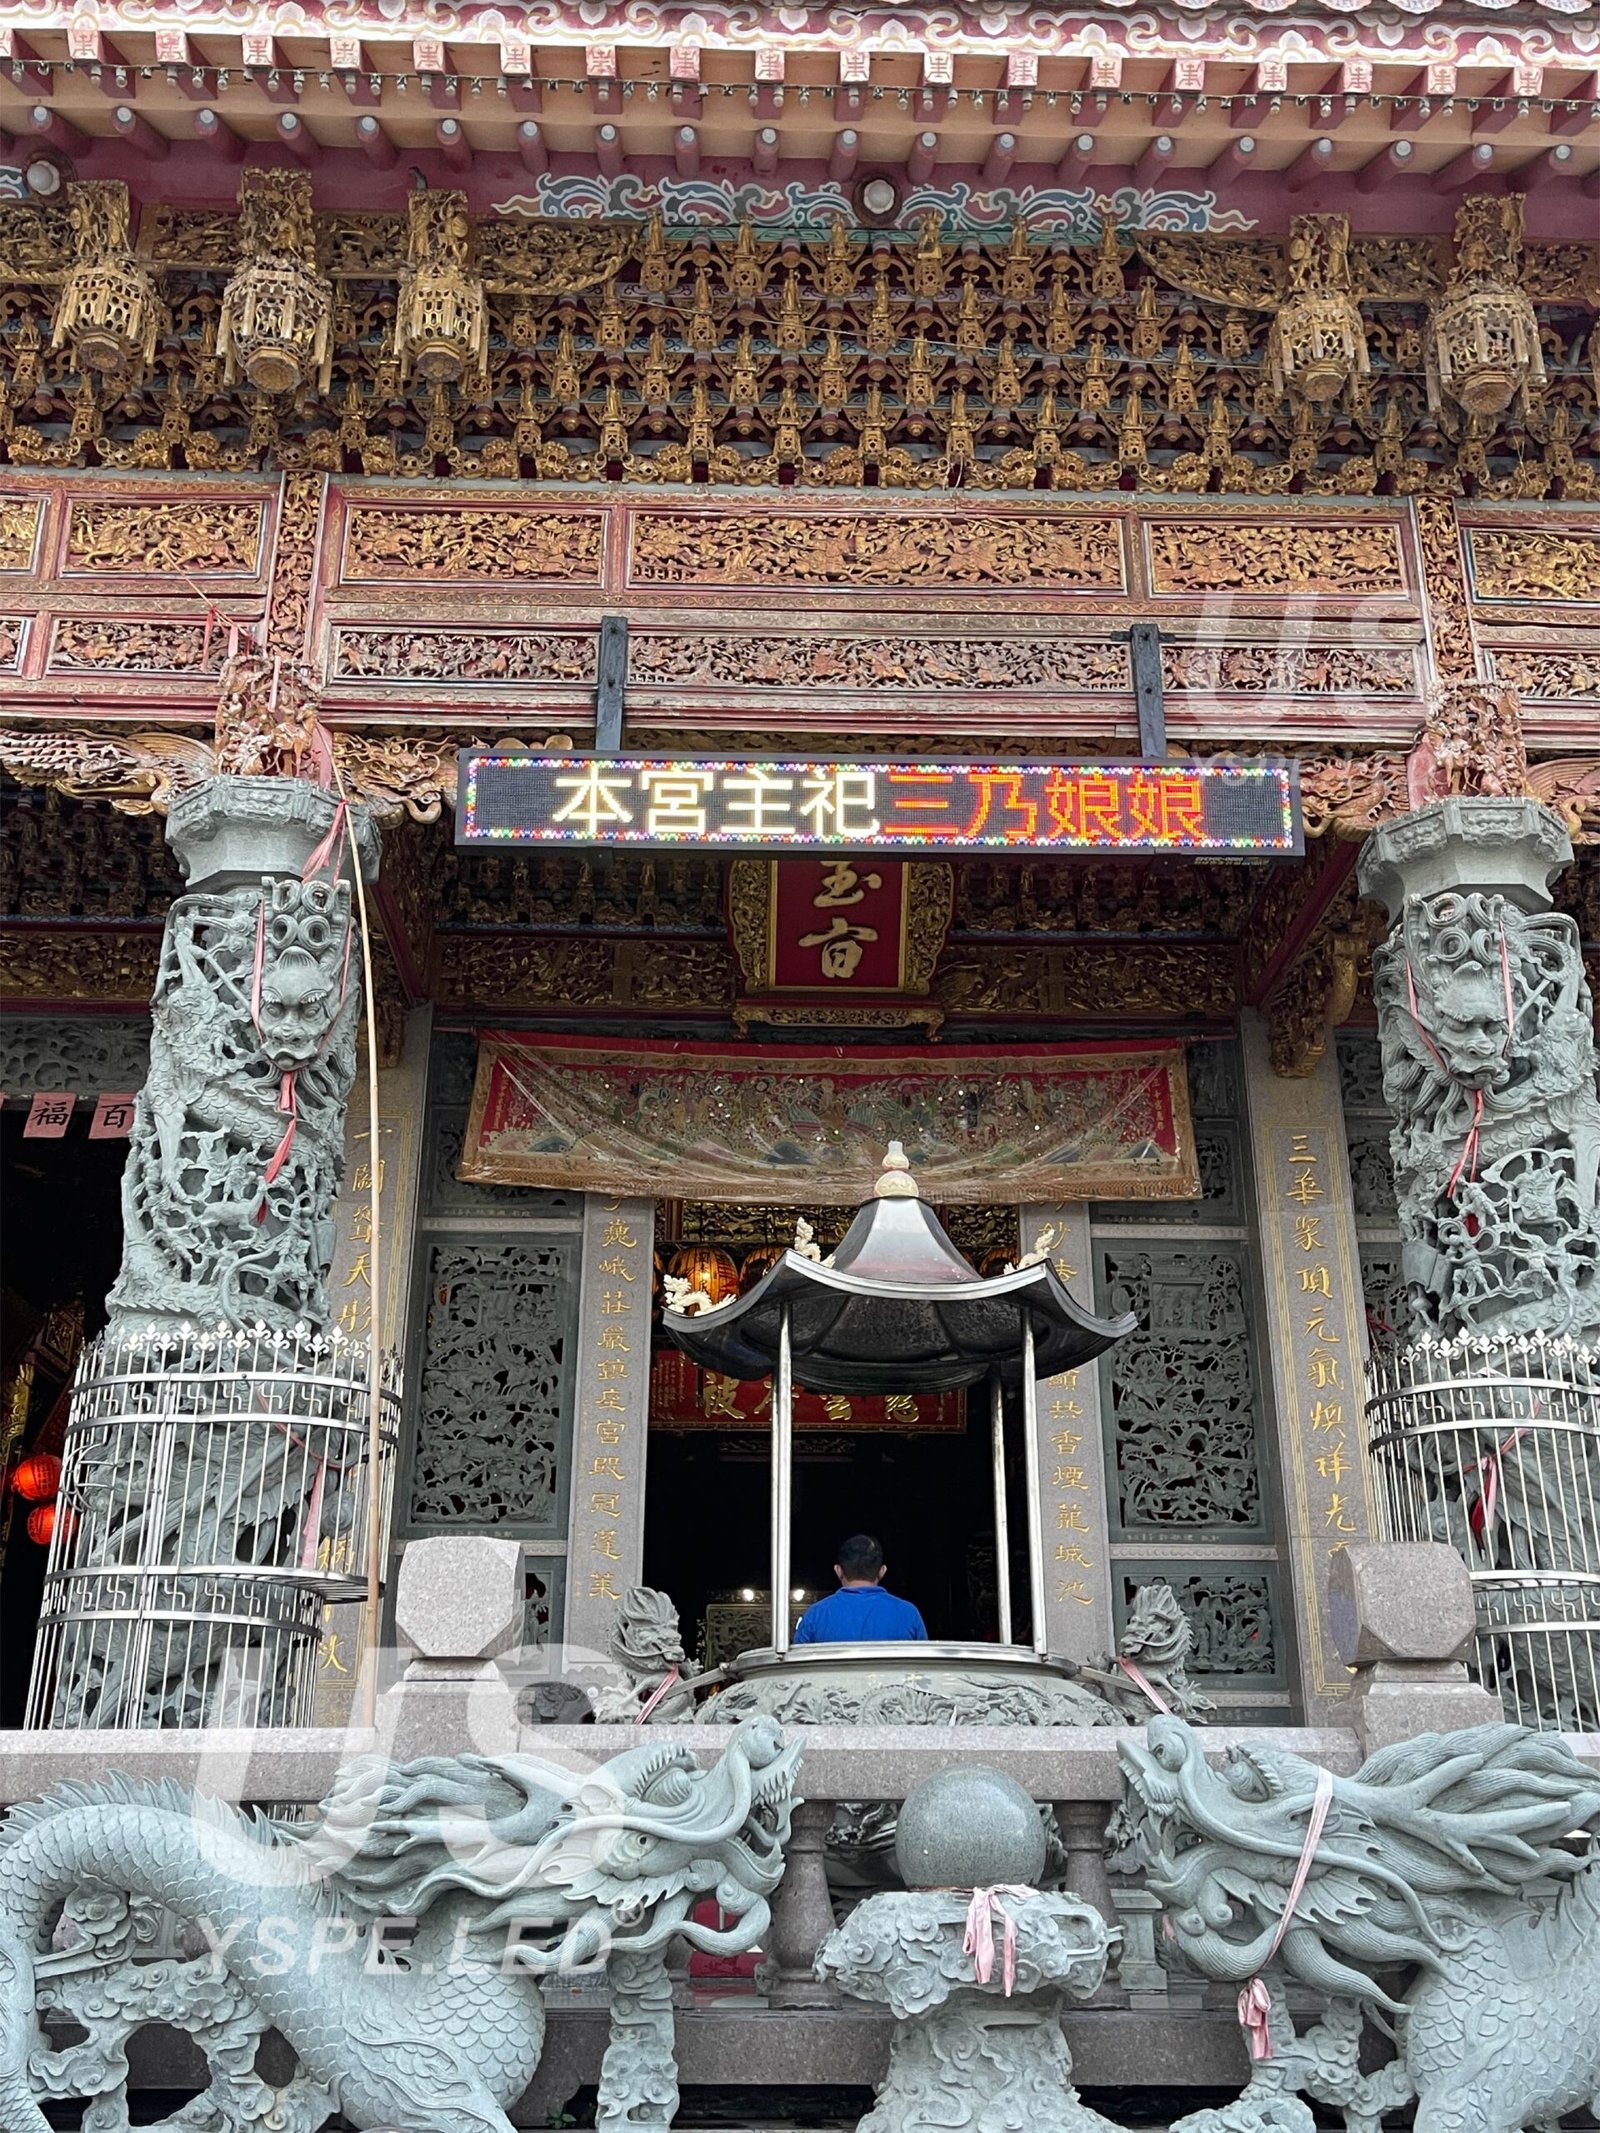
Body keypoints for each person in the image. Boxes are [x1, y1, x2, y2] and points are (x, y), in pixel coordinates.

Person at [792, 1534, 928, 1644]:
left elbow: (797, 1665)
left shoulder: (815, 1615)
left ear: (838, 1571)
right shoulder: (909, 1614)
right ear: (882, 1571)